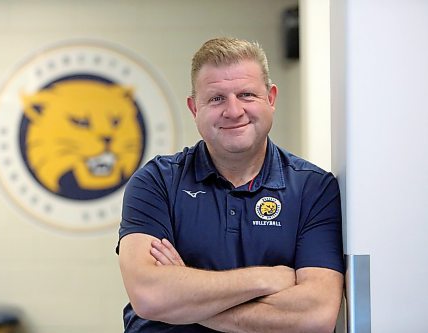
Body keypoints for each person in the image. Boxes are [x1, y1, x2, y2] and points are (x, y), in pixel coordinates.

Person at [117, 37, 344, 333]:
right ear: (193, 108)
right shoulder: (156, 181)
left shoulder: (314, 189)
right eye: (216, 98)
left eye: (247, 94)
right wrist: (267, 279)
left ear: (271, 99)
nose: (234, 111)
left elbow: (315, 315)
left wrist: (184, 299)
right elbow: (150, 296)